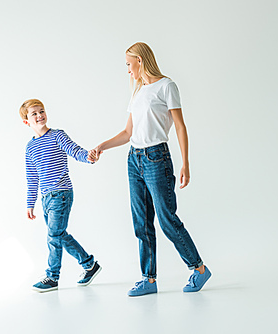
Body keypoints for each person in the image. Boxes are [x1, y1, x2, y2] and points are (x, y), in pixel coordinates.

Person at [90, 42, 211, 296]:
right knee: (142, 223)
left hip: (157, 158)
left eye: (128, 64)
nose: (127, 70)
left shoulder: (166, 86)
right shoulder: (137, 92)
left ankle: (199, 269)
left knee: (167, 220)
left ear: (140, 60)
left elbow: (180, 126)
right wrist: (103, 145)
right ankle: (149, 279)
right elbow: (127, 132)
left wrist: (185, 163)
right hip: (134, 159)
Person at [20, 98, 102, 292]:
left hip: (62, 193)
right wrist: (30, 204)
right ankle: (90, 265)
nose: (40, 115)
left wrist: (89, 157)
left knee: (53, 235)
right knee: (60, 234)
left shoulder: (57, 136)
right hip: (45, 198)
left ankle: (52, 276)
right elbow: (32, 178)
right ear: (26, 121)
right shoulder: (30, 148)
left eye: (41, 111)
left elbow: (75, 151)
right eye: (34, 114)